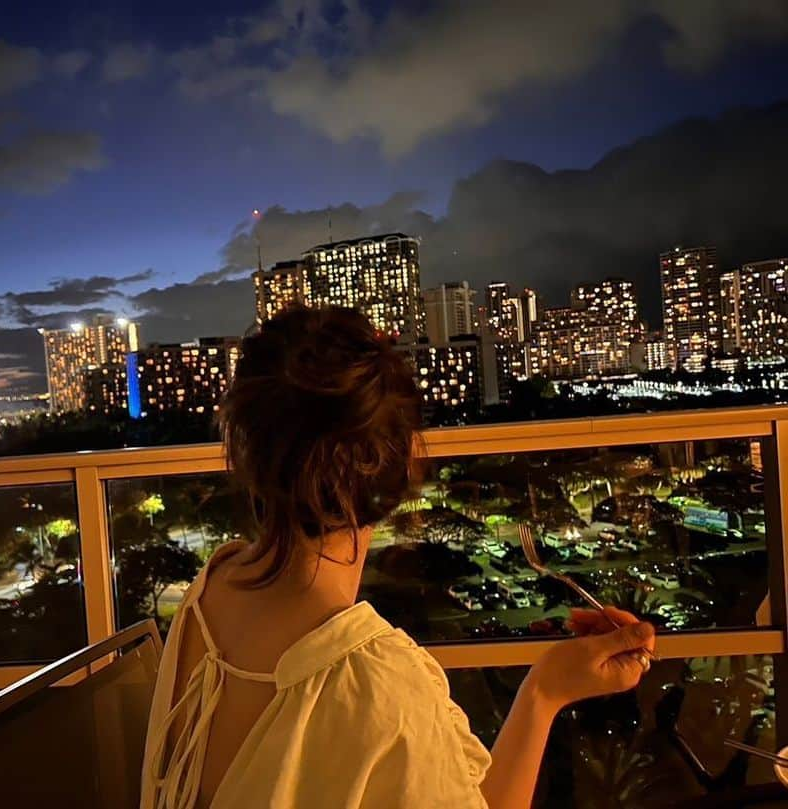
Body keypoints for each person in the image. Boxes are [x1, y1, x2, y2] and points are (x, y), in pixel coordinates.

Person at [140, 306, 656, 809]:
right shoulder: (377, 685)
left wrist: (544, 687)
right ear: (394, 463)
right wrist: (547, 693)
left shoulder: (208, 594)